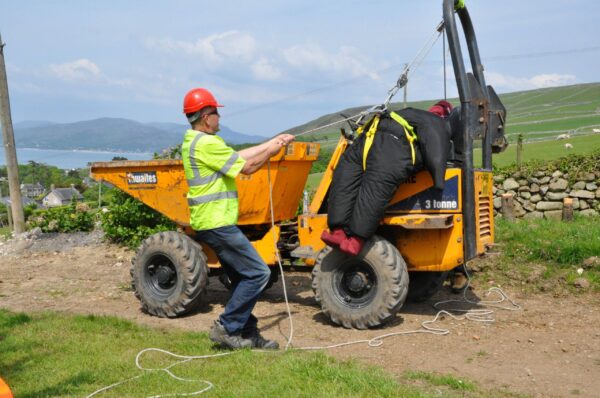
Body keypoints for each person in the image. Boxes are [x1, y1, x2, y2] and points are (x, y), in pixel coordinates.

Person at [181, 88, 294, 349]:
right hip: (216, 222)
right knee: (258, 273)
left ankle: (248, 334)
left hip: (212, 222)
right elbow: (249, 167)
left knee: (242, 277)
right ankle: (227, 327)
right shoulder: (207, 143)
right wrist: (272, 152)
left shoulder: (196, 141)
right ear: (206, 116)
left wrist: (272, 141)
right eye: (216, 112)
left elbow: (240, 156)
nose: (219, 117)